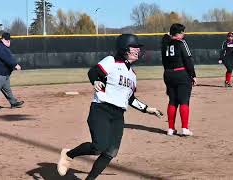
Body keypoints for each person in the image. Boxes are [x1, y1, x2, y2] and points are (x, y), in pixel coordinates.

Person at [57, 34, 163, 179]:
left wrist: (147, 109)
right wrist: (95, 81)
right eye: (135, 47)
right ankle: (68, 155)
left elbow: (130, 99)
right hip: (101, 109)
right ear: (125, 49)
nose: (138, 50)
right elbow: (93, 71)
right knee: (98, 147)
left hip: (118, 115)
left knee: (111, 152)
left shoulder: (132, 75)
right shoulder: (111, 61)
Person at [161, 23, 197, 136]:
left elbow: (165, 38)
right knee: (184, 101)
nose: (184, 34)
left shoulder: (165, 44)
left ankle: (170, 129)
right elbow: (188, 59)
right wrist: (193, 75)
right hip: (181, 73)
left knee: (172, 101)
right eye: (182, 32)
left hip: (168, 74)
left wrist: (169, 35)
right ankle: (185, 128)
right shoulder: (181, 43)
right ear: (178, 34)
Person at [0, 32, 24, 111]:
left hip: (4, 73)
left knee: (7, 89)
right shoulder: (0, 47)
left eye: (9, 40)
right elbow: (6, 58)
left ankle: (13, 102)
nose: (9, 41)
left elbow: (8, 58)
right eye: (7, 40)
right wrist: (15, 64)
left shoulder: (4, 47)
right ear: (2, 39)